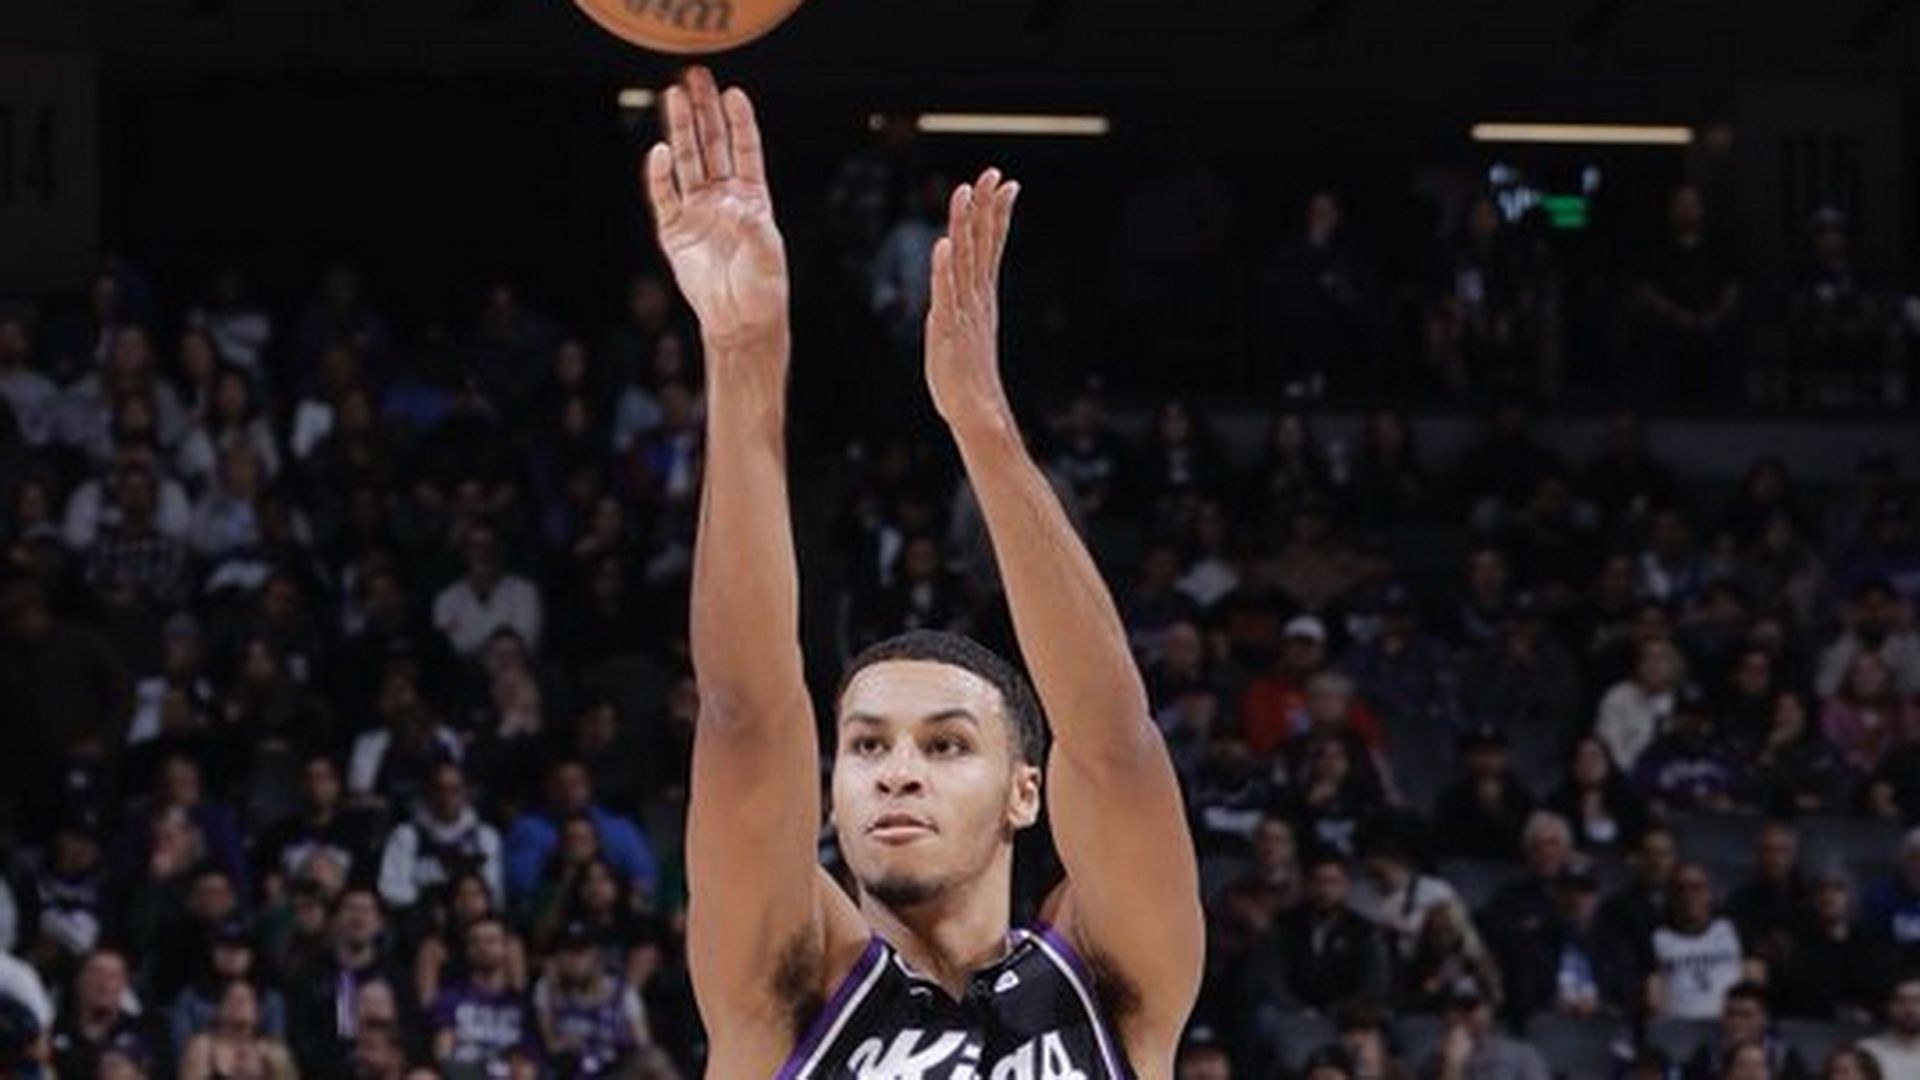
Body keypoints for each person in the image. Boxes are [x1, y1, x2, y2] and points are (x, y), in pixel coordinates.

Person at [642, 68, 1201, 1077]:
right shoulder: (787, 992)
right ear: (832, 795)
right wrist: (744, 350)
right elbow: (747, 713)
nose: (897, 771)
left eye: (947, 746)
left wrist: (982, 425)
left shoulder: (1107, 982)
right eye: (866, 746)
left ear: (1026, 793)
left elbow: (1113, 741)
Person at [1648, 864, 1756, 1021]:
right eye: (1680, 889)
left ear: (1708, 893)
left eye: (1695, 887)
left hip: (1730, 1025)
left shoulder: (1731, 929)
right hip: (1678, 1027)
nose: (1687, 895)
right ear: (1670, 896)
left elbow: (1755, 981)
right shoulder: (1657, 938)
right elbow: (1653, 999)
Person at [1417, 979, 1548, 1080]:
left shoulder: (1520, 1055)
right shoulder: (1433, 1063)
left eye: (1470, 1007)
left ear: (1489, 1009)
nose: (1463, 1014)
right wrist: (1453, 1064)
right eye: (1455, 1007)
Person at [1682, 982, 1811, 1080]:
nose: (1736, 1022)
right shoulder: (1706, 1055)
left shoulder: (1782, 1056)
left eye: (1746, 1015)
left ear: (1763, 1019)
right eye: (1730, 1014)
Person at [178, 981, 300, 1080]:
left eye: (246, 999)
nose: (238, 1003)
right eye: (231, 998)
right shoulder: (202, 1048)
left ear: (257, 1014)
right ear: (219, 1010)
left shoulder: (273, 1052)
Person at [1858, 977, 1920, 1077]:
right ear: (1888, 1007)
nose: (1909, 1008)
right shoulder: (1867, 1052)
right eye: (1901, 1001)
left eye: (1916, 1001)